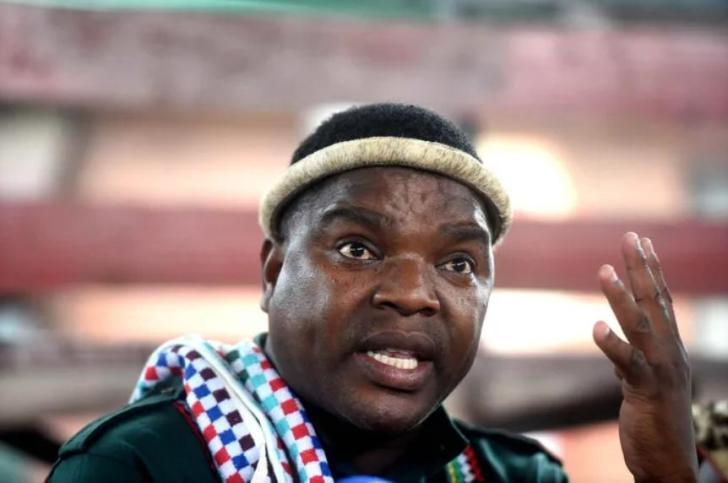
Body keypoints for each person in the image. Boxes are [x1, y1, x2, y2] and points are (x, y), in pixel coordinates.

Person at [47, 104, 698, 482]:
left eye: (459, 263)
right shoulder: (138, 465)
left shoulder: (515, 476)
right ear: (273, 272)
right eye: (358, 249)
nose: (414, 295)